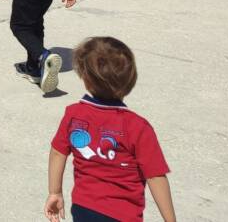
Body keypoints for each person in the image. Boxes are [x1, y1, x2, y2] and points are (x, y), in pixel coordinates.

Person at [46, 37, 175, 222]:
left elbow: (58, 153)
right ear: (131, 80)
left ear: (85, 80)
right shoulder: (138, 127)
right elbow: (155, 176)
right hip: (123, 215)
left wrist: (55, 192)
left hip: (83, 209)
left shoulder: (74, 114)